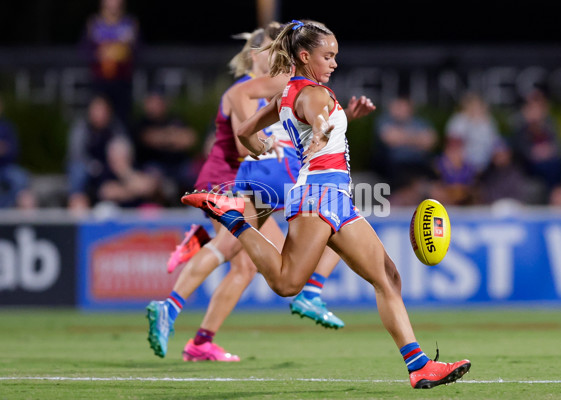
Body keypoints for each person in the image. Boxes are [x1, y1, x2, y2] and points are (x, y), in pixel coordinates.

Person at [182, 20, 471, 389]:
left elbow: (244, 132)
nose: (334, 63)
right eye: (327, 56)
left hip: (333, 195)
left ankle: (419, 366)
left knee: (388, 276)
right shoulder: (315, 94)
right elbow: (316, 120)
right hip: (319, 193)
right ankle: (235, 220)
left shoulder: (287, 94)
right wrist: (318, 134)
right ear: (305, 55)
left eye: (335, 55)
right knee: (288, 284)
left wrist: (271, 148)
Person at [145, 23, 347, 363]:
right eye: (273, 50)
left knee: (246, 266)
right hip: (228, 179)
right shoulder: (247, 89)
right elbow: (243, 139)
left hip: (245, 178)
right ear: (256, 55)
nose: (278, 57)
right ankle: (172, 303)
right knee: (236, 245)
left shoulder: (272, 90)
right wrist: (266, 141)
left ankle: (201, 341)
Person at [66, 94, 159, 211]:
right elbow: (108, 192)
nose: (119, 156)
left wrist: (125, 172)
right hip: (113, 217)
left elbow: (148, 187)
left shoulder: (132, 166)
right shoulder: (104, 171)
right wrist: (133, 189)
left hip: (136, 219)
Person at [80, 0, 140, 129]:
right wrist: (100, 53)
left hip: (122, 82)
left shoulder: (130, 24)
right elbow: (84, 51)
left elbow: (139, 50)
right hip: (99, 82)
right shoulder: (93, 24)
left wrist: (124, 52)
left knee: (123, 121)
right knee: (98, 119)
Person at [133, 89, 197, 206]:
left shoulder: (176, 119)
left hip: (178, 165)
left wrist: (162, 137)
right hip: (153, 166)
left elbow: (189, 139)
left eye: (159, 102)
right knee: (152, 177)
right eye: (152, 102)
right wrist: (173, 136)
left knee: (193, 173)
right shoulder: (141, 123)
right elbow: (149, 138)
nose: (156, 105)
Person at [372, 95, 437, 206]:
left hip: (419, 164)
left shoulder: (420, 122)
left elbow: (431, 141)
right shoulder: (384, 121)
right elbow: (390, 138)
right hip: (395, 166)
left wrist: (402, 137)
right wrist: (417, 139)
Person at [510, 89, 561, 205]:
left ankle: (558, 196)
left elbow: (560, 147)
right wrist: (536, 152)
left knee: (556, 164)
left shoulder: (550, 124)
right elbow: (520, 150)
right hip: (528, 165)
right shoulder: (520, 125)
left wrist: (547, 151)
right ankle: (557, 197)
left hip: (549, 162)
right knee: (551, 167)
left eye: (539, 107)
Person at [445, 92, 502, 174]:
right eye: (473, 105)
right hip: (463, 163)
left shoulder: (489, 121)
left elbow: (496, 142)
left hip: (487, 162)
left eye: (479, 105)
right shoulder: (459, 120)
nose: (476, 108)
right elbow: (452, 144)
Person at [0, 96, 36, 209]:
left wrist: (5, 151)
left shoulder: (8, 127)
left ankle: (5, 210)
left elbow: (14, 151)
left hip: (5, 166)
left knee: (20, 177)